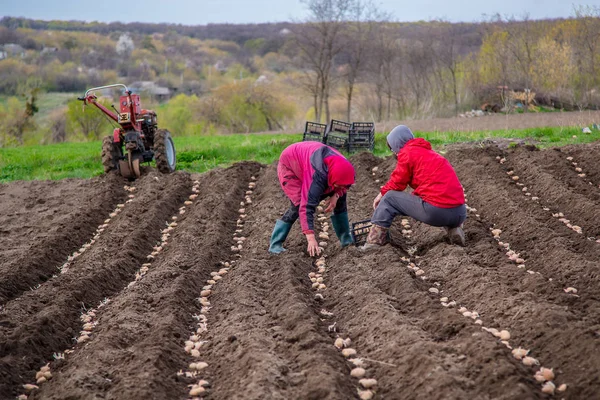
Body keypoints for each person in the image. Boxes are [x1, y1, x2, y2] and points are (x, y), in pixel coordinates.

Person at [362, 125, 466, 249]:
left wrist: (381, 194)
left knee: (389, 198)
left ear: (396, 144)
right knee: (439, 198)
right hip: (460, 213)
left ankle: (373, 242)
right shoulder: (430, 153)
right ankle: (455, 231)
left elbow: (397, 183)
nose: (394, 152)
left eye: (392, 148)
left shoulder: (407, 153)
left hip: (438, 212)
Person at [269, 141, 356, 256]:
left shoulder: (345, 167)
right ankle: (275, 244)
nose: (340, 187)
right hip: (290, 164)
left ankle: (346, 240)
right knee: (298, 205)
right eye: (337, 185)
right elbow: (307, 206)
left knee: (341, 200)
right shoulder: (316, 175)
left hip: (315, 162)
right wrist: (311, 238)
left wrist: (337, 194)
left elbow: (344, 185)